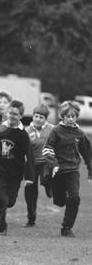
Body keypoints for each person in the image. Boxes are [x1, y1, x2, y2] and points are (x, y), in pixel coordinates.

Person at [0, 100, 34, 235]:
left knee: (9, 202)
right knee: (0, 199)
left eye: (15, 114)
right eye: (10, 113)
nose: (12, 116)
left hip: (14, 173)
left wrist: (29, 177)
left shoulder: (22, 135)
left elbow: (29, 156)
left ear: (21, 116)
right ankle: (1, 223)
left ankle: (0, 214)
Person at [42, 101, 92, 237]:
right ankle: (48, 182)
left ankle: (67, 228)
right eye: (68, 116)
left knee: (74, 198)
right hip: (57, 169)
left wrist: (90, 171)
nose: (70, 119)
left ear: (76, 117)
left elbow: (88, 153)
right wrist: (53, 164)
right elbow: (47, 149)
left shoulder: (80, 134)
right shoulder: (56, 131)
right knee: (59, 201)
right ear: (62, 116)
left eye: (73, 116)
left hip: (73, 170)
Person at [23, 104, 54, 227]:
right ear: (33, 116)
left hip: (46, 162)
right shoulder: (27, 131)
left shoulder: (52, 129)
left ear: (45, 119)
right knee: (30, 192)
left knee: (46, 177)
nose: (38, 119)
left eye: (41, 117)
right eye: (36, 116)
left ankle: (49, 186)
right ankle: (31, 219)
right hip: (31, 165)